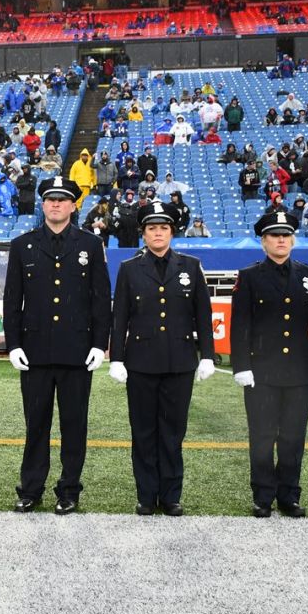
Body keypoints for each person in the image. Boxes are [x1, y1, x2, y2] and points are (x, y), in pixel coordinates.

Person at [3, 177, 112, 515]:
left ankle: (69, 489)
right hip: (34, 352)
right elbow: (12, 300)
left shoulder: (90, 245)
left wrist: (99, 344)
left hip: (77, 351)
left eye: (62, 200)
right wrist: (13, 344)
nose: (55, 205)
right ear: (43, 204)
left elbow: (100, 299)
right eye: (50, 199)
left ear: (73, 205)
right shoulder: (23, 245)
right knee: (36, 424)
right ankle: (30, 489)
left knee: (74, 425)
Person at [109, 201, 216, 516]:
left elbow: (203, 316)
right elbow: (120, 318)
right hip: (140, 363)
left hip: (180, 363)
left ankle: (171, 495)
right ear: (143, 233)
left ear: (172, 232)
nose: (158, 233)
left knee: (172, 433)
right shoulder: (129, 268)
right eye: (152, 228)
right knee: (143, 432)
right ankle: (146, 495)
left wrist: (207, 355)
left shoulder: (191, 266)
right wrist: (116, 358)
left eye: (164, 228)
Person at [231, 211, 308, 518]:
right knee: (262, 436)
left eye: (285, 235)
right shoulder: (249, 276)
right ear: (263, 242)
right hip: (261, 372)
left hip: (299, 372)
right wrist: (241, 365)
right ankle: (262, 496)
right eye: (274, 236)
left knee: (293, 436)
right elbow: (241, 325)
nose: (281, 240)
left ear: (293, 240)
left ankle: (289, 495)